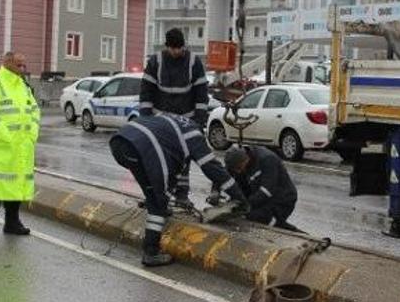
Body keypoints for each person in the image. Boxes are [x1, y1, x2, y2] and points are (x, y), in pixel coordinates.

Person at [110, 114, 247, 267]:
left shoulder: (177, 132)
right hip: (143, 144)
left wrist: (180, 196)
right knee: (159, 201)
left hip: (121, 142)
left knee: (152, 191)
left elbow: (180, 169)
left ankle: (155, 208)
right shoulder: (194, 135)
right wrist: (239, 197)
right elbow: (212, 167)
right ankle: (151, 252)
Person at [139, 28, 210, 208]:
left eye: (179, 48)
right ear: (167, 47)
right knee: (158, 160)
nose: (176, 52)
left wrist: (199, 122)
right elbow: (146, 92)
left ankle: (181, 196)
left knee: (183, 160)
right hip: (160, 120)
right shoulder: (156, 62)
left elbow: (201, 95)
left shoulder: (194, 62)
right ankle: (156, 196)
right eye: (173, 48)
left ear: (183, 46)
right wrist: (146, 120)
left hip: (184, 121)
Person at [0, 52, 39, 239]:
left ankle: (12, 222)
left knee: (16, 183)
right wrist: (5, 137)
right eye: (19, 65)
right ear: (7, 63)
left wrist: (32, 134)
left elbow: (34, 110)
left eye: (24, 65)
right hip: (1, 146)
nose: (22, 69)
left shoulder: (23, 86)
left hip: (22, 145)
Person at [225, 146, 300, 232]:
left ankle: (298, 235)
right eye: (235, 169)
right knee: (247, 215)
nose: (238, 171)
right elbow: (224, 175)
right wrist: (219, 193)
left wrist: (245, 204)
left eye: (239, 168)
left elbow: (266, 191)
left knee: (261, 218)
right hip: (262, 197)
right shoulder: (239, 161)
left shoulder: (267, 159)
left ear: (245, 159)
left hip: (282, 199)